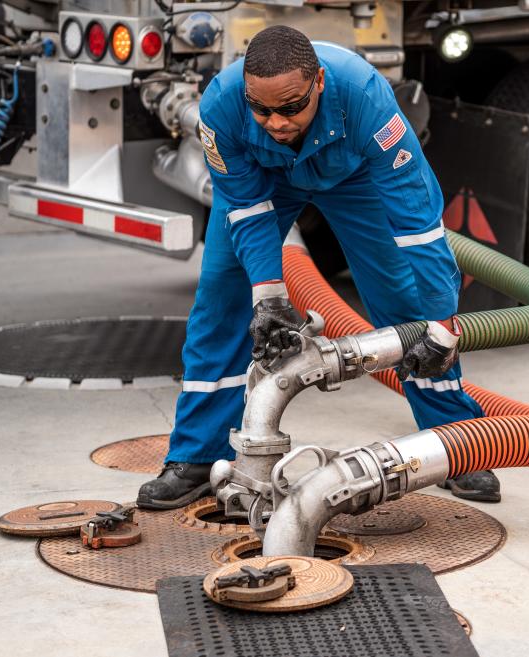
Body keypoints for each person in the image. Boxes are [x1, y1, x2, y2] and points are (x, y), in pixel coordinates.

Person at [136, 26, 500, 510]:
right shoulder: (220, 107)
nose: (275, 122)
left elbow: (418, 224)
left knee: (403, 302)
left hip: (355, 179)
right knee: (221, 299)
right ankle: (198, 456)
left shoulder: (366, 97)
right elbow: (245, 209)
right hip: (266, 181)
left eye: (290, 107)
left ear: (320, 84)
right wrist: (268, 296)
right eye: (261, 109)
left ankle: (456, 445)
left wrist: (444, 324)